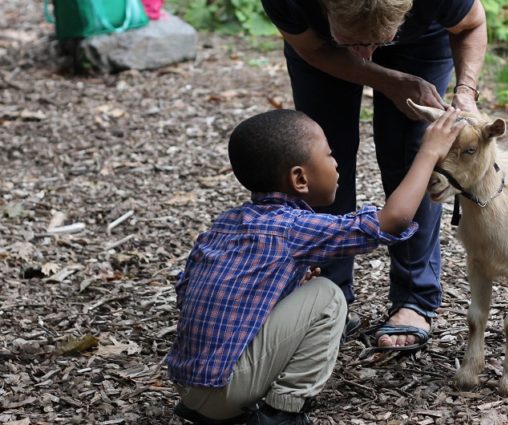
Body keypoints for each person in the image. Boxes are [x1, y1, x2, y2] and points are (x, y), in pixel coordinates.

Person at [167, 107, 464, 424]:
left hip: (189, 385)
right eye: (330, 155)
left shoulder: (224, 224)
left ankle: (216, 407)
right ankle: (282, 414)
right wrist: (428, 153)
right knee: (327, 297)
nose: (336, 164)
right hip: (225, 389)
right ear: (299, 178)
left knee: (306, 289)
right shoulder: (292, 227)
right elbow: (391, 221)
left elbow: (189, 294)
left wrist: (283, 289)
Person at [260, 0, 487, 351]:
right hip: (321, 50)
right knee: (322, 155)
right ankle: (327, 297)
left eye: (379, 42)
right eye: (352, 42)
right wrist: (391, 82)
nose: (366, 54)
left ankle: (415, 297)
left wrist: (466, 93)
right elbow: (313, 49)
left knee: (415, 154)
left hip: (420, 42)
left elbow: (471, 24)